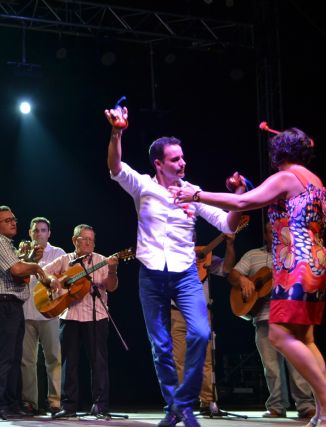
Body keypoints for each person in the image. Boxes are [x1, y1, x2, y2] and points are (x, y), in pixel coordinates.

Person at [171, 127, 326, 427]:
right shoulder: (312, 179)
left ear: (279, 151)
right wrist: (243, 187)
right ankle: (323, 408)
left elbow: (243, 204)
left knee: (279, 335)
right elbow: (261, 198)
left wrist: (196, 195)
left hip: (296, 261)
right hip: (317, 259)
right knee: (305, 339)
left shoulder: (286, 176)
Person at [104, 106, 243, 427]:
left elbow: (228, 224)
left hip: (185, 275)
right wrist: (117, 132)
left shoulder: (193, 192)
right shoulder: (143, 186)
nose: (182, 163)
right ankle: (175, 408)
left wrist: (238, 195)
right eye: (175, 159)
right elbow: (115, 167)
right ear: (159, 163)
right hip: (151, 275)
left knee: (201, 333)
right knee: (161, 346)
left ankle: (183, 404)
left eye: (183, 158)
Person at [227, 221, 315, 419]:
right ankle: (276, 406)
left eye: (278, 231)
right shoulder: (253, 255)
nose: (274, 234)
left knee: (297, 364)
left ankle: (306, 405)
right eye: (270, 231)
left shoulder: (294, 254)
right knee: (271, 367)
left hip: (291, 316)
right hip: (263, 317)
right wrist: (243, 279)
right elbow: (232, 274)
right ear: (265, 235)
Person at [0, 205, 49, 420]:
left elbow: (20, 274)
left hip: (13, 305)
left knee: (14, 356)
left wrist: (32, 260)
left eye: (13, 219)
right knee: (4, 356)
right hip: (3, 304)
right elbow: (17, 270)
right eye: (7, 220)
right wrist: (36, 267)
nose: (13, 222)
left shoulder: (6, 244)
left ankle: (11, 403)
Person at [45, 224, 119, 419]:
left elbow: (111, 287)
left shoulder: (102, 260)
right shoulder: (64, 260)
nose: (88, 243)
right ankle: (68, 407)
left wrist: (112, 270)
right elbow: (42, 272)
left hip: (97, 317)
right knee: (68, 363)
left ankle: (100, 406)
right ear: (74, 240)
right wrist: (52, 280)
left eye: (91, 240)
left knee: (99, 363)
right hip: (69, 316)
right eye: (84, 239)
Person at [171, 234, 235, 416]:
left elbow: (226, 268)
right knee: (179, 359)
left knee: (206, 358)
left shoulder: (204, 256)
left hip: (200, 312)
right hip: (176, 312)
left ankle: (208, 401)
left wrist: (229, 245)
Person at [20, 217, 65, 415]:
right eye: (36, 230)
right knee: (27, 361)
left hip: (49, 313)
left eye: (43, 230)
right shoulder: (21, 254)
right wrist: (26, 259)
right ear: (30, 233)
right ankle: (30, 402)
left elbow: (65, 280)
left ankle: (55, 402)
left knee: (53, 358)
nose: (39, 233)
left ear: (49, 233)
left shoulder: (58, 253)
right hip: (26, 312)